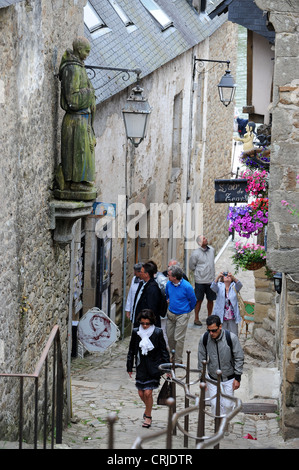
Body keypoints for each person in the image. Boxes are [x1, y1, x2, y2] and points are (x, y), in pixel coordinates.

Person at [58, 37, 97, 196]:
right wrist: (90, 93)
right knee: (78, 153)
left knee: (83, 153)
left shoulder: (79, 66)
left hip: (82, 120)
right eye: (86, 51)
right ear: (79, 50)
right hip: (75, 121)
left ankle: (80, 181)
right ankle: (74, 183)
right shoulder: (72, 69)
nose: (88, 54)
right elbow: (72, 100)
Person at [127, 309, 170, 428]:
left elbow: (163, 351)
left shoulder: (157, 332)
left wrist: (167, 368)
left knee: (148, 392)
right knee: (141, 393)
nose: (145, 326)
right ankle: (147, 409)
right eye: (142, 323)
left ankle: (148, 416)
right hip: (141, 367)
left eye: (147, 323)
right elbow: (132, 351)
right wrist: (129, 366)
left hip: (154, 367)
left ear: (151, 322)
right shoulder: (136, 332)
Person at [198, 315, 244, 417]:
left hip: (229, 377)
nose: (211, 333)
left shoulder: (231, 338)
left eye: (214, 330)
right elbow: (201, 359)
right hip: (213, 377)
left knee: (228, 405)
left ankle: (224, 424)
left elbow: (239, 357)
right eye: (209, 330)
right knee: (214, 404)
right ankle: (218, 426)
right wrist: (202, 379)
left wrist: (238, 377)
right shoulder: (205, 338)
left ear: (220, 327)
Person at [166, 265, 197, 364]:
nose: (167, 276)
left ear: (175, 277)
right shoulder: (169, 284)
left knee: (178, 338)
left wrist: (187, 310)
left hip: (182, 315)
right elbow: (167, 295)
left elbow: (193, 301)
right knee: (170, 336)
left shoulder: (187, 286)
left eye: (169, 275)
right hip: (171, 313)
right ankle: (173, 354)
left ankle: (178, 360)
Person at [189, 235, 216, 326]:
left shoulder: (212, 250)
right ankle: (196, 318)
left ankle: (209, 317)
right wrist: (199, 273)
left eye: (205, 237)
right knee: (198, 300)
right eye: (204, 238)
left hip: (210, 280)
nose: (206, 239)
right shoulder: (195, 253)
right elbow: (191, 266)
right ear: (200, 242)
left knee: (211, 299)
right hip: (200, 281)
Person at [132, 262, 164, 328]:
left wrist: (145, 324)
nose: (139, 273)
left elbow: (151, 309)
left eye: (141, 272)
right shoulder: (142, 284)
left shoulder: (152, 289)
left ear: (146, 274)